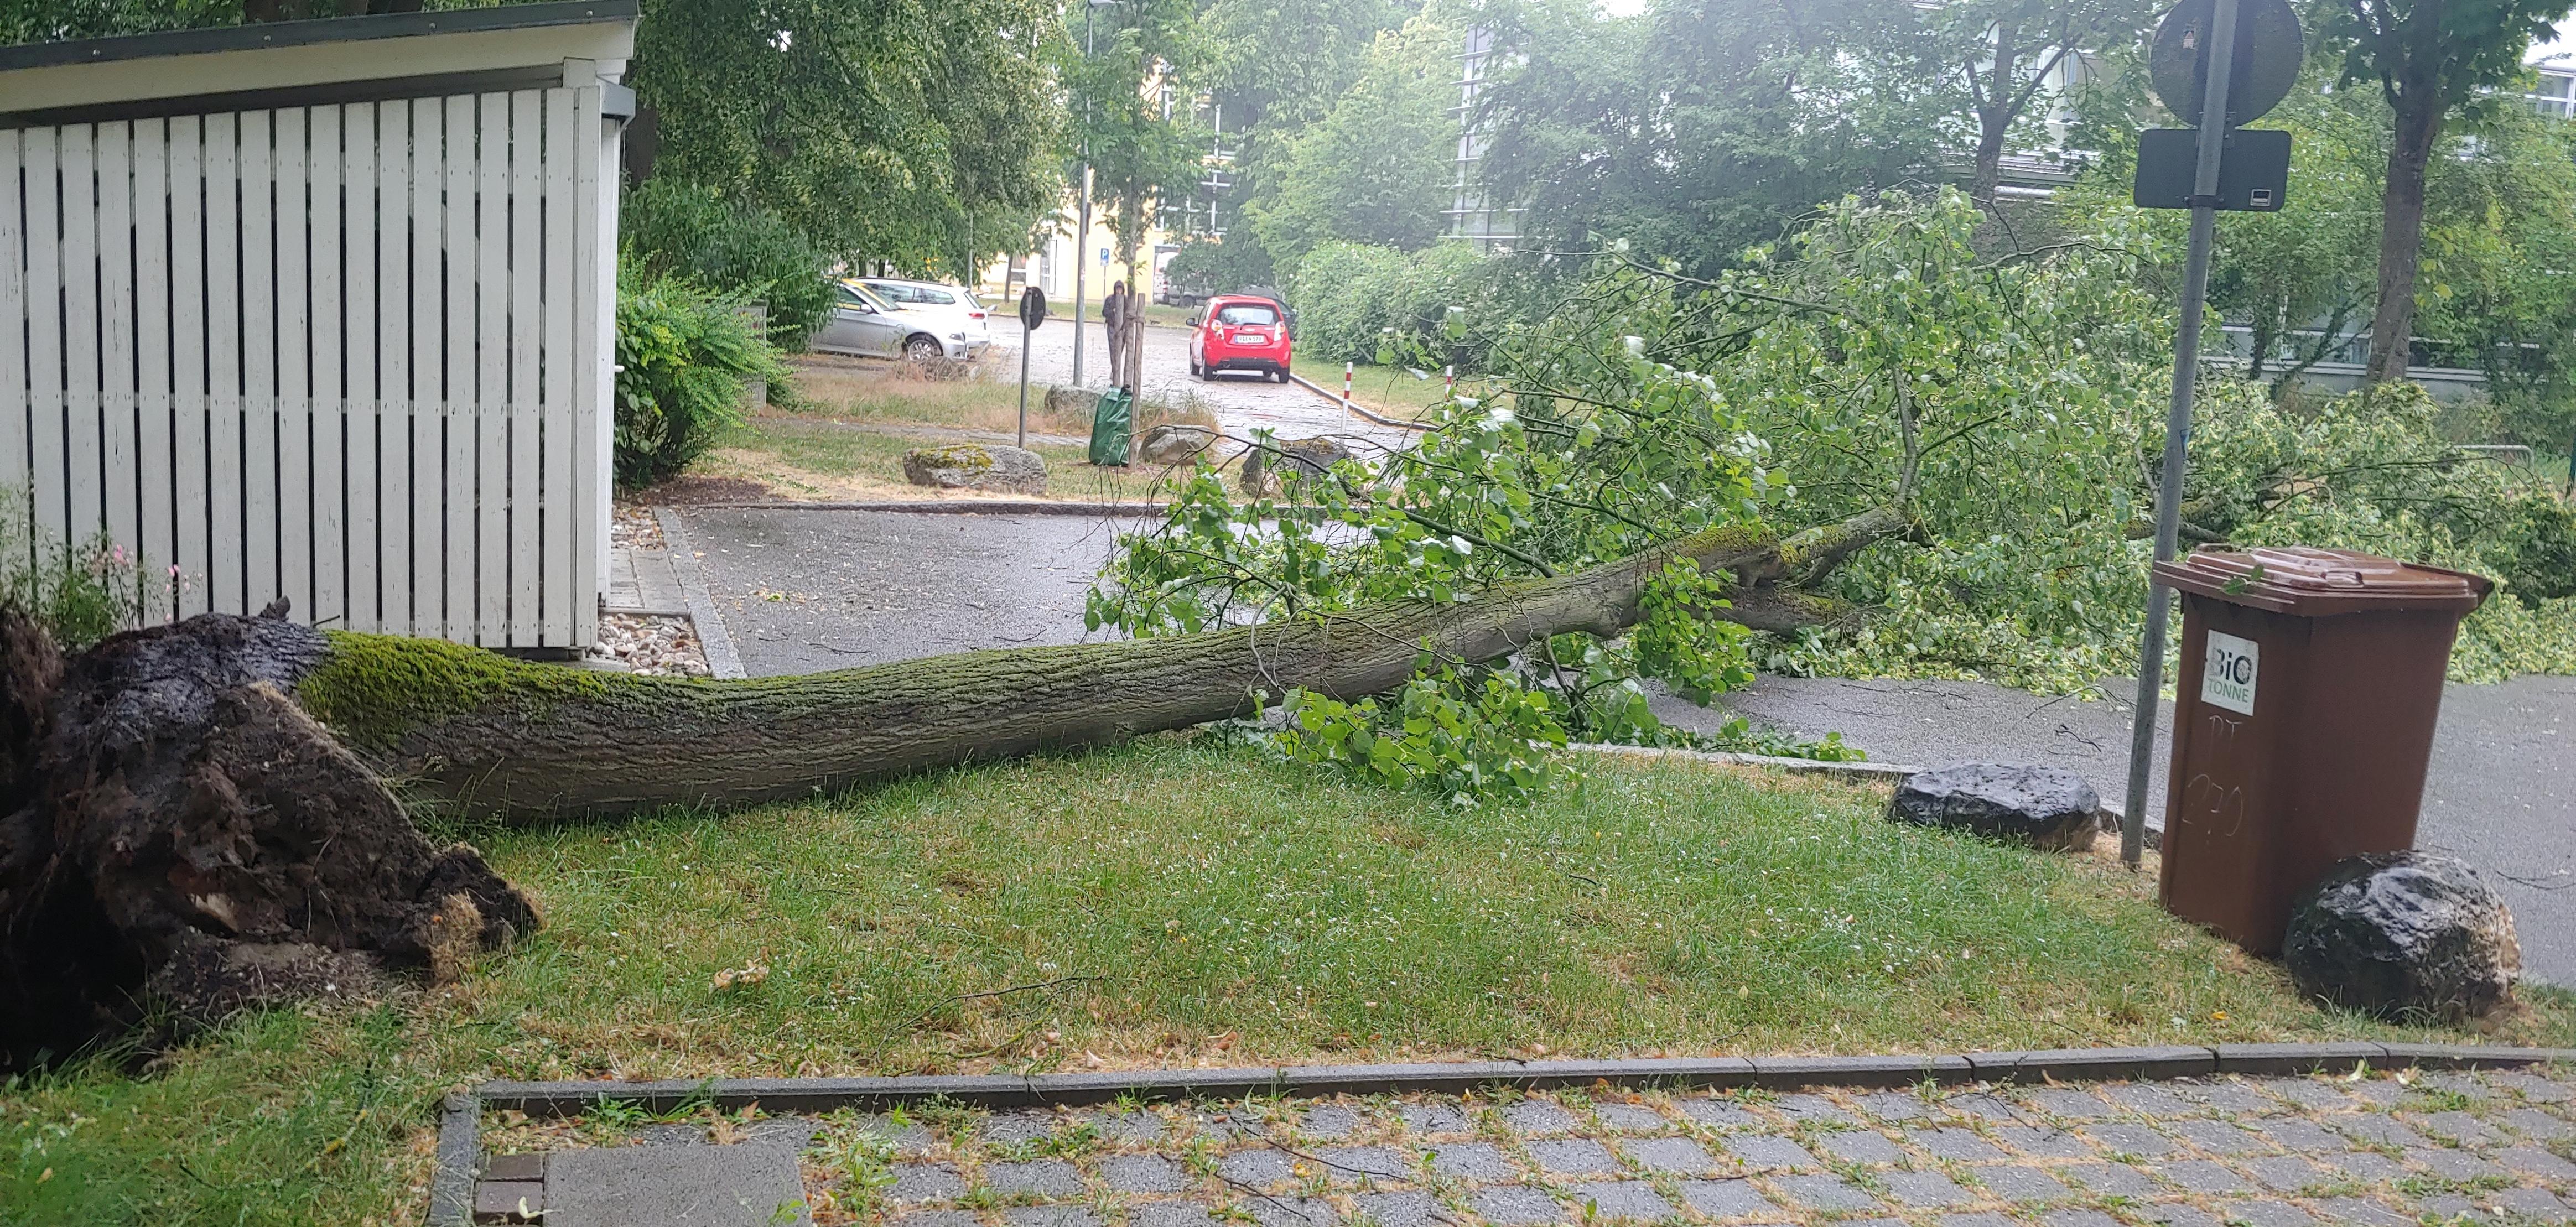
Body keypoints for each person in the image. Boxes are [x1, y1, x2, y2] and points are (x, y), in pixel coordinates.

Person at [1101, 280, 1131, 389]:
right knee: (1113, 349)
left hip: (1122, 329)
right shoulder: (1110, 299)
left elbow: (1129, 313)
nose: (1119, 291)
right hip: (1112, 327)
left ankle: (1116, 371)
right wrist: (1113, 311)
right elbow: (1104, 312)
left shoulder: (1127, 300)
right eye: (1117, 289)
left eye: (1120, 289)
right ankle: (1115, 371)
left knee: (1119, 350)